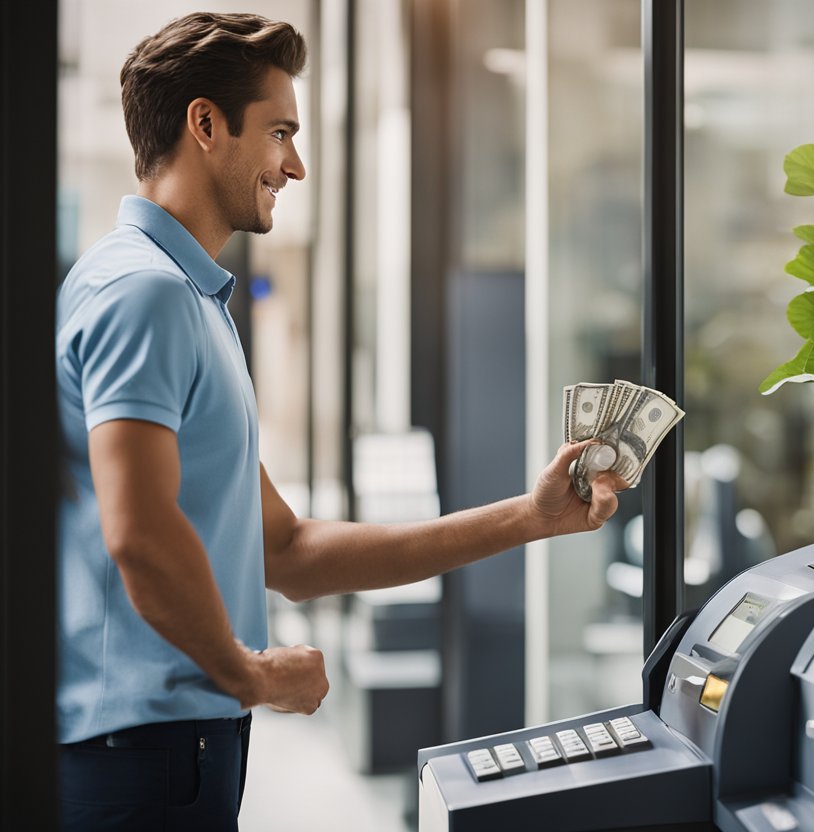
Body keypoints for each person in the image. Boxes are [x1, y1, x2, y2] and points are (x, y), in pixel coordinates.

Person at [55, 12, 624, 830]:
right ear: (205, 125)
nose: (297, 164)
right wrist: (248, 675)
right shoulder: (142, 293)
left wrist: (530, 519)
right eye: (280, 132)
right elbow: (138, 533)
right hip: (140, 759)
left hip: (172, 753)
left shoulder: (186, 299)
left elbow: (286, 550)